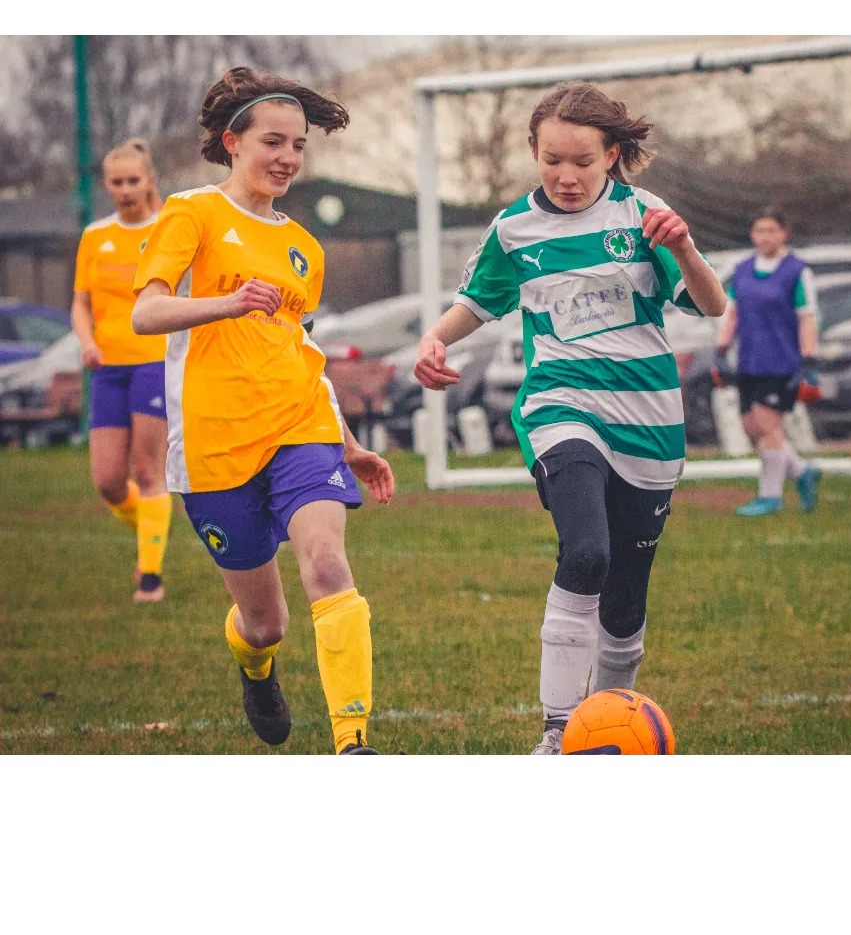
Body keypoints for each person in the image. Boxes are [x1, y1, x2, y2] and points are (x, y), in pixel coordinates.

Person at [413, 82, 727, 754]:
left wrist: (689, 249)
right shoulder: (513, 229)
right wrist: (434, 339)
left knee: (624, 604)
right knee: (585, 552)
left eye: (582, 161)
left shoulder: (646, 215)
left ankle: (612, 726)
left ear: (612, 155)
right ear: (533, 152)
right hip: (559, 405)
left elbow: (712, 306)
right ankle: (557, 735)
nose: (565, 175)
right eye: (551, 159)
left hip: (649, 422)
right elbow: (479, 300)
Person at [131, 66, 395, 755]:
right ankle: (256, 666)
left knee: (328, 564)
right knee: (266, 622)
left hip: (300, 426)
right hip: (216, 446)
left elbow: (297, 350)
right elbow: (146, 311)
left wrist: (349, 442)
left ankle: (353, 741)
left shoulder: (304, 248)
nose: (288, 159)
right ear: (233, 141)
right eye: (274, 142)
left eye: (299, 146)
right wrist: (228, 300)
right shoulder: (192, 213)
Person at [71, 139, 172, 604]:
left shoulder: (167, 229)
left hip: (153, 362)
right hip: (107, 368)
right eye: (117, 182)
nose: (126, 189)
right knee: (109, 482)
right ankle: (152, 530)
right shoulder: (95, 235)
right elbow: (80, 303)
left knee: (148, 470)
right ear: (106, 186)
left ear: (149, 180)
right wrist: (87, 343)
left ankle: (149, 575)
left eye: (134, 180)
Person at [714, 207, 822, 516]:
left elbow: (807, 319)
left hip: (782, 361)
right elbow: (732, 312)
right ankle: (802, 471)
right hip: (748, 361)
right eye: (759, 230)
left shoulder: (797, 271)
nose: (765, 236)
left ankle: (770, 497)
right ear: (752, 234)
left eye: (771, 230)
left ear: (784, 233)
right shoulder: (743, 269)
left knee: (768, 426)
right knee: (752, 429)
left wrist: (809, 360)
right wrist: (721, 349)